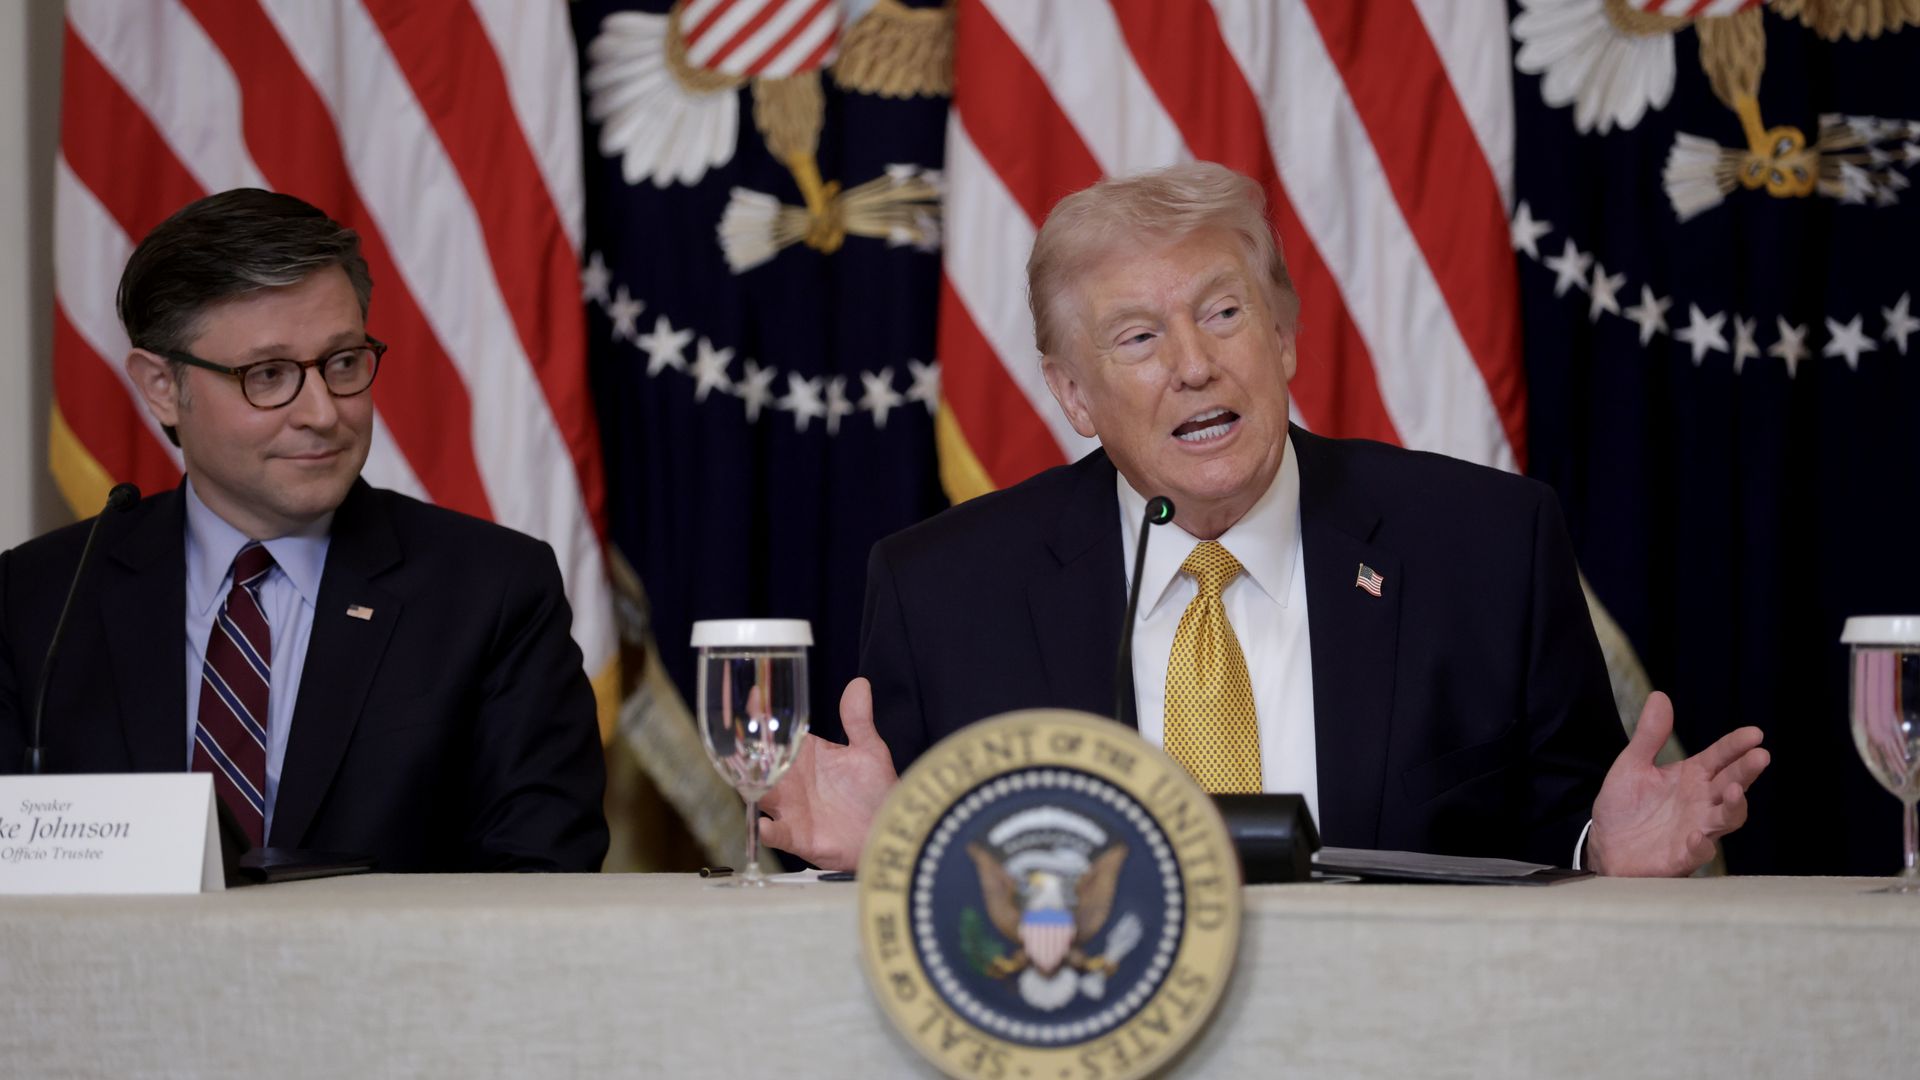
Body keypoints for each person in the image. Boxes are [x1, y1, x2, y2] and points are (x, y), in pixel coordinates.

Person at [762, 162, 1768, 876]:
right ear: (1073, 396)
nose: (1195, 363)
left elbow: (1560, 833)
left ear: (1284, 338)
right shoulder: (944, 590)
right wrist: (883, 848)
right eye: (1139, 336)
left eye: (1225, 312)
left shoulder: (1486, 547)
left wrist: (1605, 852)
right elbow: (918, 906)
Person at [0, 189, 607, 872]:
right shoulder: (37, 602)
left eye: (344, 363)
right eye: (269, 375)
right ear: (162, 386)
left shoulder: (490, 592)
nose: (322, 412)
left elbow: (542, 874)